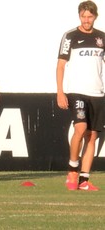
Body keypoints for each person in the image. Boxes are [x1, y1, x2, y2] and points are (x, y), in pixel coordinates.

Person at [56, 0, 105, 191]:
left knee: (92, 137)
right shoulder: (70, 36)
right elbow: (60, 65)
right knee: (80, 129)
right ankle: (72, 168)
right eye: (83, 16)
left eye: (90, 16)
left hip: (98, 93)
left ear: (95, 16)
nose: (86, 20)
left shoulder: (102, 38)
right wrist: (60, 91)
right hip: (77, 91)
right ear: (79, 16)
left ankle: (84, 181)